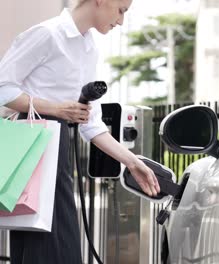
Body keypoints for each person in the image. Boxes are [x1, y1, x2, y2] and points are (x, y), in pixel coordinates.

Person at [0, 0, 160, 263]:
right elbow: (3, 88)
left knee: (60, 247)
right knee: (44, 249)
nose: (121, 21)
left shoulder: (88, 49)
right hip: (34, 154)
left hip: (57, 153)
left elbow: (91, 123)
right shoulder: (47, 34)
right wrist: (56, 109)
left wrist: (132, 162)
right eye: (121, 10)